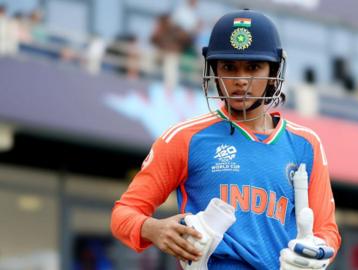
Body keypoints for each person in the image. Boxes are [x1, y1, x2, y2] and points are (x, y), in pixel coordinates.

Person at [111, 9, 341, 269]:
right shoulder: (184, 138)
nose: (240, 80)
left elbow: (327, 232)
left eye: (253, 67)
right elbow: (123, 214)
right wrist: (153, 228)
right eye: (229, 67)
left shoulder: (305, 144)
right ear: (214, 70)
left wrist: (314, 253)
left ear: (273, 71)